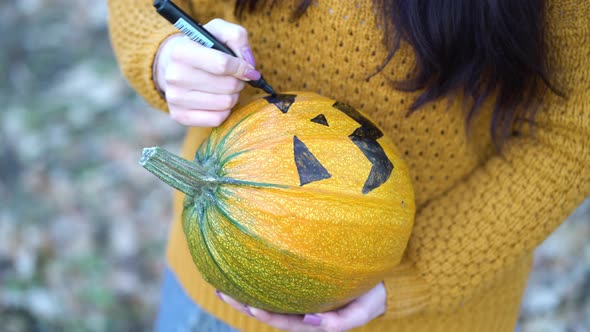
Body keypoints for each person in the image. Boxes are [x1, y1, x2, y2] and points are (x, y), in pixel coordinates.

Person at [107, 0, 589, 331]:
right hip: (219, 299)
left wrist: (416, 270)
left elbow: (574, 130)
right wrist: (162, 51)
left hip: (437, 313)